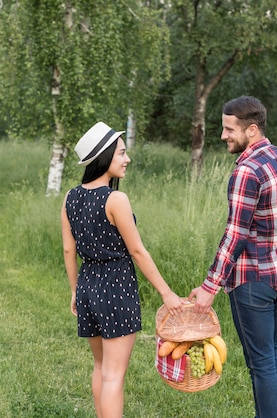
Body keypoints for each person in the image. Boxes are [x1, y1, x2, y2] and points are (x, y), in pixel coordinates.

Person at [189, 96, 277, 418]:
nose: (223, 135)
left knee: (262, 364)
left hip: (253, 283)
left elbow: (235, 233)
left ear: (251, 130)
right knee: (270, 356)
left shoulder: (247, 171)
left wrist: (211, 286)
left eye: (229, 129)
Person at [61, 121, 184, 418]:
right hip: (116, 288)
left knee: (101, 368)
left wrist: (75, 290)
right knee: (114, 376)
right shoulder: (115, 199)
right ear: (104, 157)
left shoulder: (70, 198)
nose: (127, 159)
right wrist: (167, 294)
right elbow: (137, 251)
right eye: (121, 154)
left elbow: (68, 250)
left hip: (89, 285)